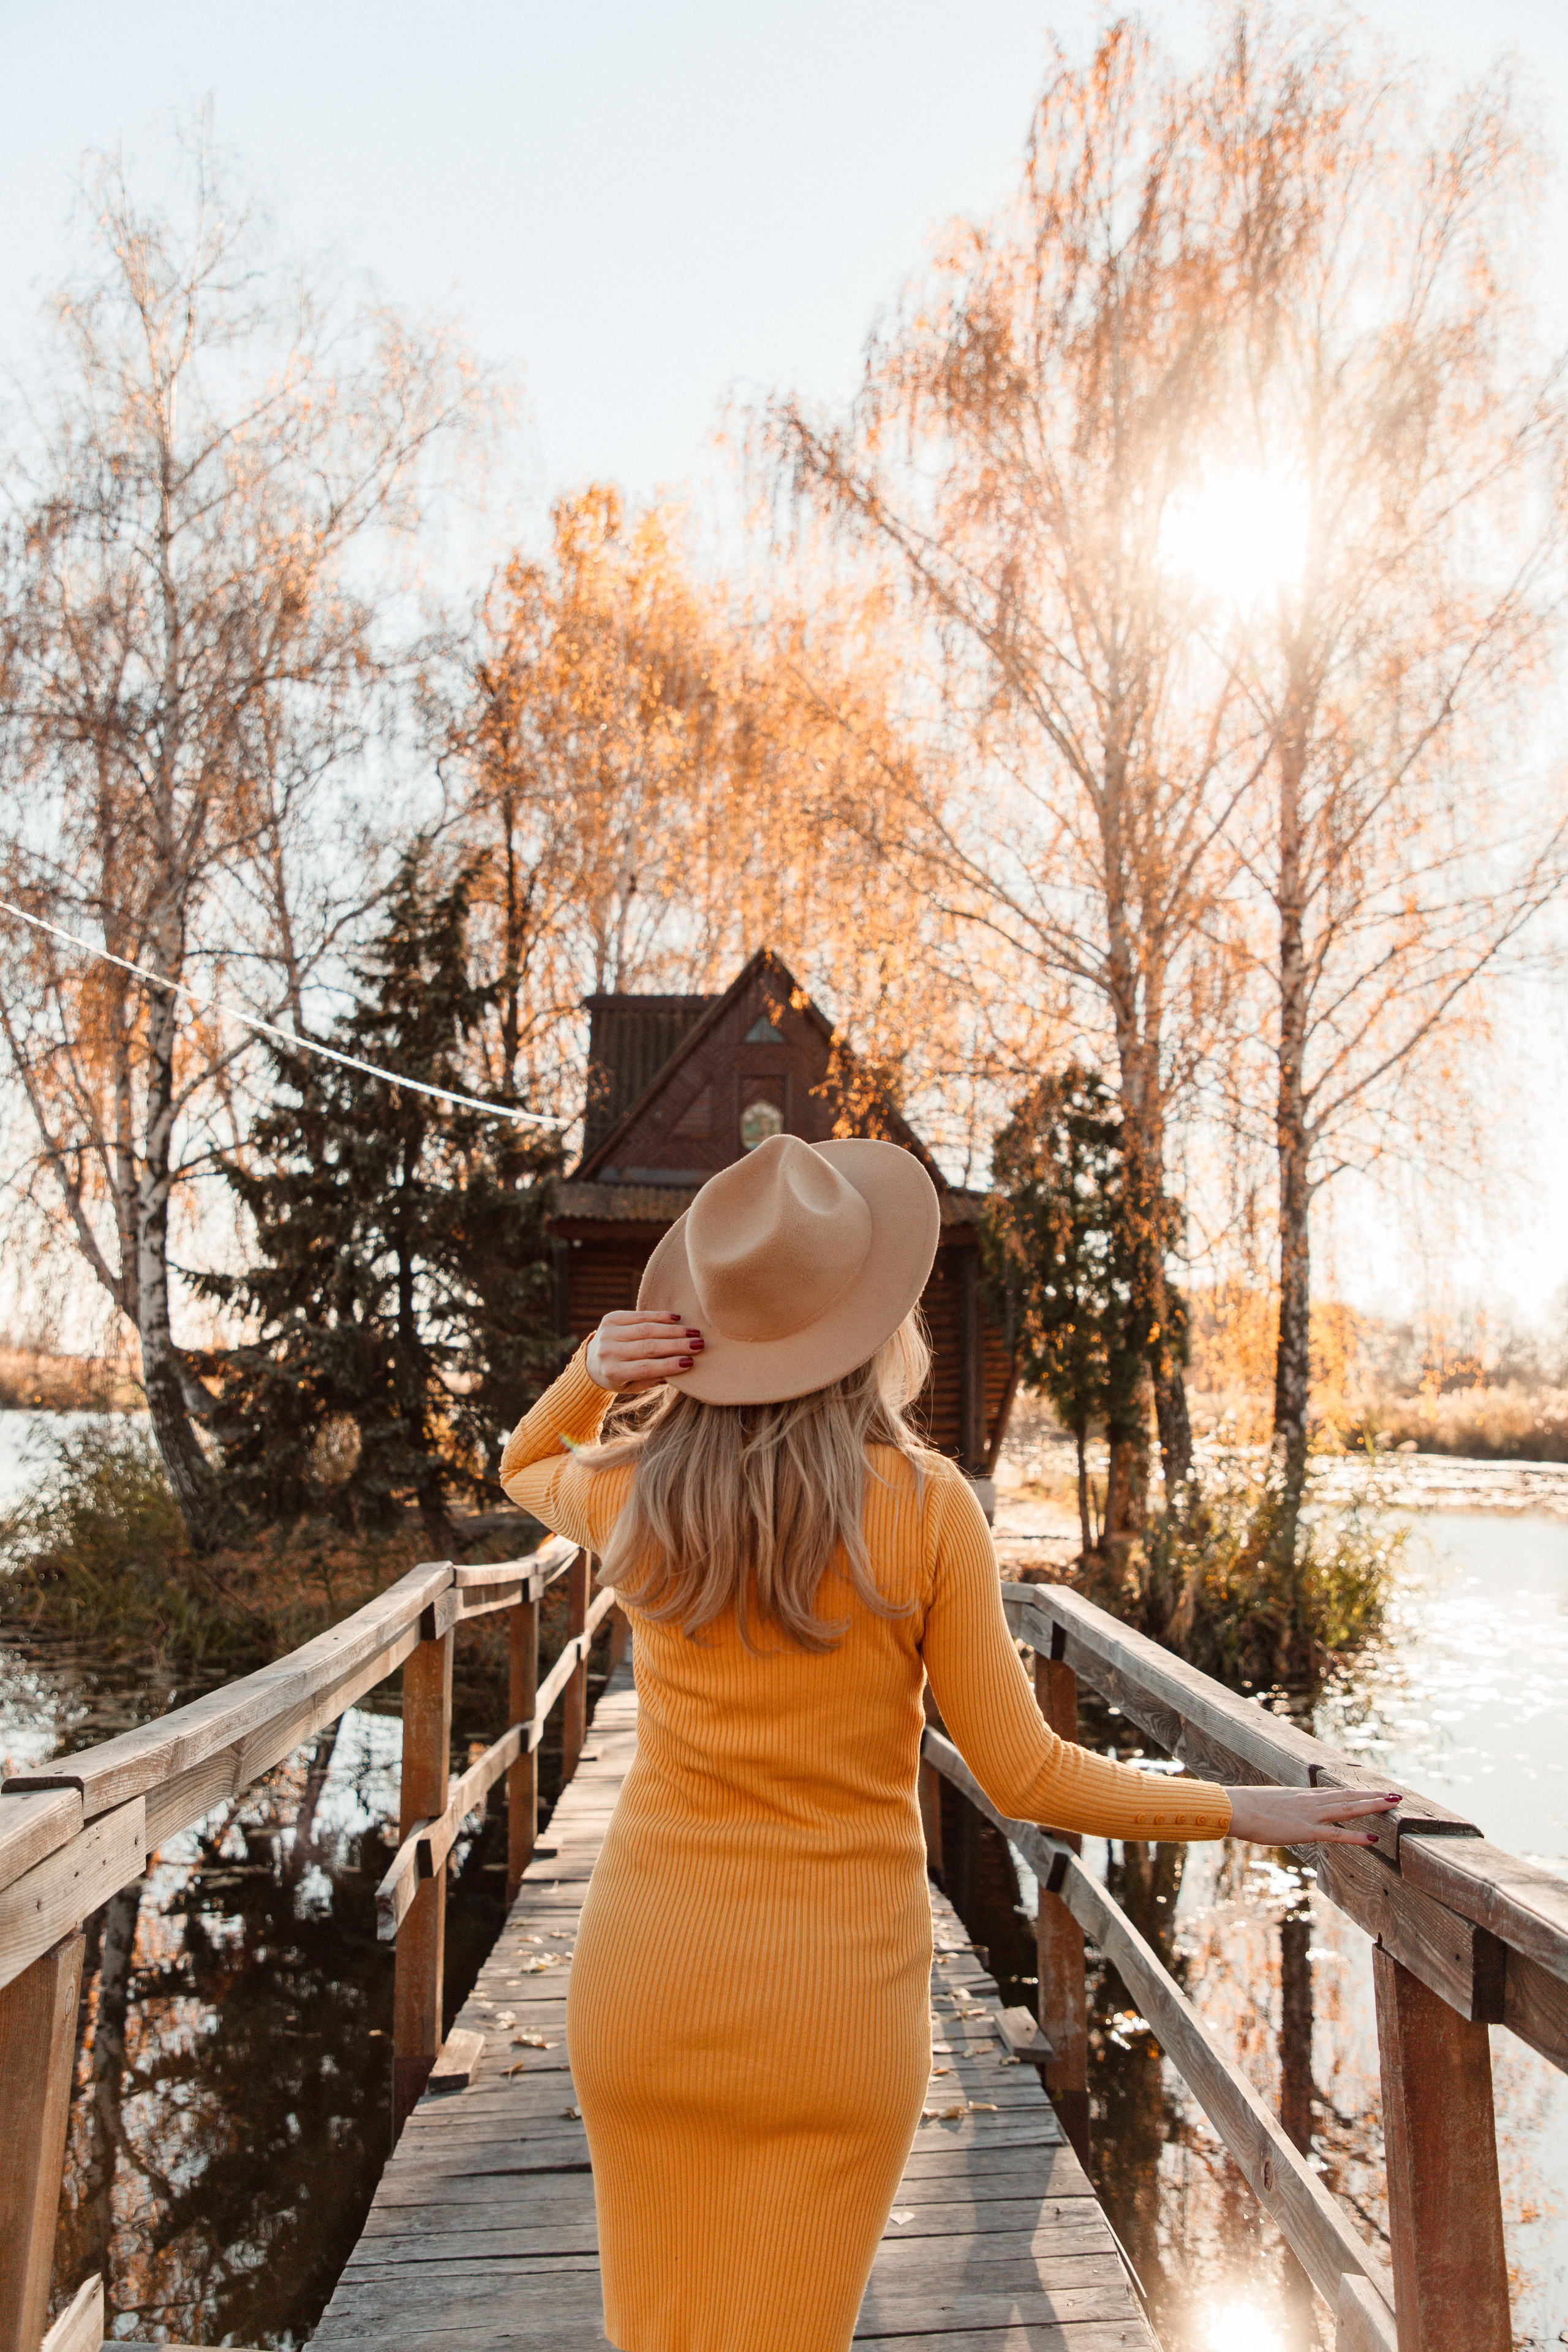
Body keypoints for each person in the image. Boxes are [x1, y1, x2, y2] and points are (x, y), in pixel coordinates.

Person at [500, 1134, 1395, 2352]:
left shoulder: (638, 1489)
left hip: (648, 1989)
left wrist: (594, 1369)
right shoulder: (926, 1509)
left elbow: (521, 1462)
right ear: (872, 1325)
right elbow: (1023, 1773)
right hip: (833, 2019)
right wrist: (1241, 1808)